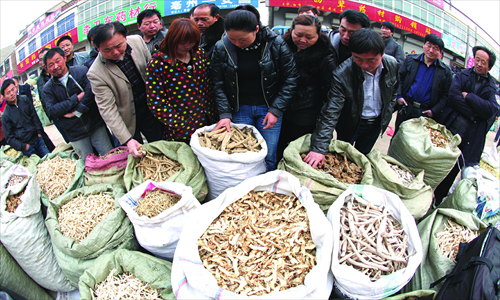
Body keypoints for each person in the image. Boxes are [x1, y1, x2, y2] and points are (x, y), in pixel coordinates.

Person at [211, 5, 299, 171]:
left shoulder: (275, 45)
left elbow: (290, 78)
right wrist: (224, 114)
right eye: (232, 39)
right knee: (244, 154)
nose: (237, 44)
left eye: (243, 39)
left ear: (256, 29)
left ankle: (267, 189)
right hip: (239, 109)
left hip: (269, 108)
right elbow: (218, 83)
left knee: (269, 154)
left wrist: (276, 110)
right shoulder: (221, 47)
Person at [304, 28, 399, 168]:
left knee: (362, 158)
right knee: (343, 159)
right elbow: (331, 110)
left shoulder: (392, 65)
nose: (365, 65)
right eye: (358, 59)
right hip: (352, 123)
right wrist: (319, 148)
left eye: (371, 60)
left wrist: (388, 110)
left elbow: (393, 92)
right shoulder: (343, 73)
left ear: (382, 54)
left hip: (376, 123)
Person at [434, 46, 499, 205]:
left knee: (453, 170)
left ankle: (437, 201)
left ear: (489, 67)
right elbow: (454, 97)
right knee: (437, 162)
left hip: (470, 138)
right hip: (451, 128)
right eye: (477, 59)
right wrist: (474, 113)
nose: (478, 63)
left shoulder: (492, 87)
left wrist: (468, 96)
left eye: (483, 62)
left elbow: (491, 109)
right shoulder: (463, 75)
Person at [87, 22, 164, 157]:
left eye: (119, 46)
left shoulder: (137, 41)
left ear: (125, 38)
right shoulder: (96, 73)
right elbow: (107, 109)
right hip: (127, 118)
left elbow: (152, 73)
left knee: (161, 145)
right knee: (137, 154)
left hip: (150, 108)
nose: (115, 52)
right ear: (98, 49)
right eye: (107, 50)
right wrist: (127, 140)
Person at [277, 15, 337, 162]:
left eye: (309, 37)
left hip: (306, 110)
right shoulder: (282, 47)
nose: (303, 40)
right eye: (298, 35)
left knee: (295, 148)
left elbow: (330, 91)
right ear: (291, 31)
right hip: (280, 106)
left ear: (318, 34)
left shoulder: (326, 55)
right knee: (278, 146)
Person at [145, 18, 216, 143]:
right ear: (172, 39)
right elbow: (156, 101)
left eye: (192, 42)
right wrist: (179, 123)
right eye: (183, 43)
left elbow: (211, 84)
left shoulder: (200, 54)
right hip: (181, 130)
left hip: (209, 121)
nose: (188, 46)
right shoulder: (158, 63)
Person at [43, 47, 113, 160]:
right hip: (75, 133)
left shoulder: (81, 71)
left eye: (57, 61)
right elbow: (52, 110)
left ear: (64, 58)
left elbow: (90, 93)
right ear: (46, 68)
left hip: (95, 125)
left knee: (109, 156)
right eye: (50, 65)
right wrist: (75, 99)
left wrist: (77, 111)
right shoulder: (48, 88)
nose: (55, 66)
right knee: (87, 165)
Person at [395, 34, 452, 132]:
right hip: (406, 106)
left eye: (435, 48)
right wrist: (399, 95)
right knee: (398, 136)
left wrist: (433, 111)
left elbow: (446, 95)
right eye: (429, 46)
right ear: (424, 45)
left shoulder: (445, 71)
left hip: (424, 112)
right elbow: (399, 78)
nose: (431, 50)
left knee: (416, 142)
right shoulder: (411, 60)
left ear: (440, 52)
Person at [1, 79, 51, 157]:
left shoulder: (24, 99)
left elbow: (34, 117)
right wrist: (24, 146)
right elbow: (9, 138)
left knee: (49, 160)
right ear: (4, 96)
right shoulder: (5, 115)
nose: (12, 93)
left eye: (13, 89)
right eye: (8, 93)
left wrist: (39, 133)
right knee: (35, 166)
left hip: (38, 140)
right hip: (26, 147)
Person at [37, 47, 70, 144]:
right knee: (68, 139)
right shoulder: (40, 79)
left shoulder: (60, 71)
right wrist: (50, 116)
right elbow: (42, 99)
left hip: (66, 108)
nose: (43, 61)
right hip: (55, 114)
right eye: (40, 59)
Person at [13, 75, 55, 151]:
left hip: (31, 118)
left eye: (14, 84)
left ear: (18, 82)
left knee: (43, 139)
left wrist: (38, 130)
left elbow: (31, 107)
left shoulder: (25, 89)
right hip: (26, 129)